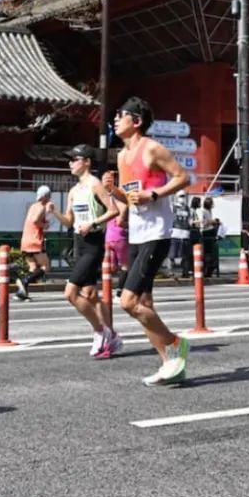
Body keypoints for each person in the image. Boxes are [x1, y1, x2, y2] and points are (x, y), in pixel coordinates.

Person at [106, 96, 194, 385]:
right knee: (143, 301)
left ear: (137, 121)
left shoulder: (152, 148)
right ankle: (170, 364)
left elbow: (183, 178)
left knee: (128, 302)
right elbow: (130, 197)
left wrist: (154, 194)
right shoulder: (121, 156)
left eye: (121, 114)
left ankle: (175, 343)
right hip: (137, 231)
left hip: (157, 232)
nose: (116, 118)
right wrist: (114, 192)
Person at [57, 145, 123, 358]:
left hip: (93, 244)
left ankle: (100, 331)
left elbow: (113, 211)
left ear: (86, 161)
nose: (70, 163)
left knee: (70, 293)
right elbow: (69, 220)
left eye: (74, 159)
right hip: (79, 243)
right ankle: (111, 334)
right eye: (69, 160)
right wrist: (54, 213)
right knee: (91, 294)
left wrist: (93, 224)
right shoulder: (74, 190)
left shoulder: (95, 184)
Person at [16, 185, 54, 301]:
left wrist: (44, 219)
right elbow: (35, 221)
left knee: (33, 267)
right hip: (35, 240)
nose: (50, 198)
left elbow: (34, 219)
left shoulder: (33, 206)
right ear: (45, 197)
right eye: (49, 196)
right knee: (46, 266)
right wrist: (45, 225)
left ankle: (22, 292)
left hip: (25, 240)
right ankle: (24, 281)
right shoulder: (41, 207)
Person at [102, 169, 129, 276]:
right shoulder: (119, 201)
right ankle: (120, 289)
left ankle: (109, 289)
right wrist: (129, 226)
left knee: (111, 266)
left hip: (108, 238)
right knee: (125, 265)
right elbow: (120, 222)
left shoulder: (107, 199)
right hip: (119, 237)